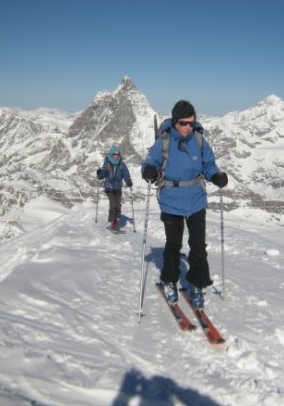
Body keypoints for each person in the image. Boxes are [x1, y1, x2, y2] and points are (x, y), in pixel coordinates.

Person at [141, 100, 228, 309]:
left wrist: (215, 176)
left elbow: (208, 164)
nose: (189, 127)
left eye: (191, 122)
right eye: (184, 123)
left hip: (196, 200)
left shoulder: (198, 140)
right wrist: (148, 171)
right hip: (171, 201)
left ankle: (197, 284)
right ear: (174, 122)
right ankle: (170, 281)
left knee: (198, 246)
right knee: (173, 245)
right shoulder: (163, 141)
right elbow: (150, 162)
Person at [97, 145, 133, 229]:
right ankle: (111, 222)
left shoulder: (121, 164)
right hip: (109, 188)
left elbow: (125, 174)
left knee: (118, 205)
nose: (116, 156)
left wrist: (128, 181)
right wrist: (99, 173)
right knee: (113, 204)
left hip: (118, 188)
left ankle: (117, 220)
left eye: (118, 154)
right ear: (111, 154)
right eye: (115, 154)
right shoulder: (107, 163)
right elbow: (103, 174)